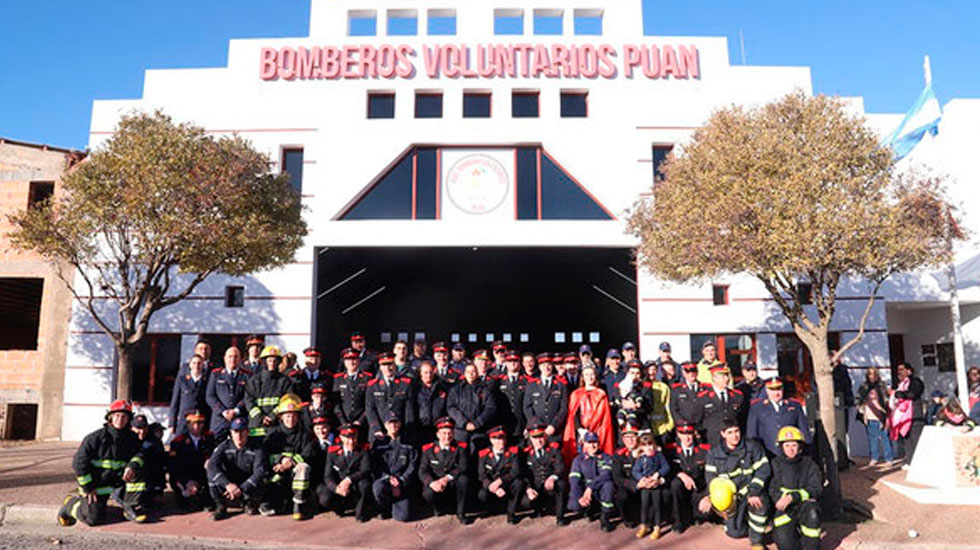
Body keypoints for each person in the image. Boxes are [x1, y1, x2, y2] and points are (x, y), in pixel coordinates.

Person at [58, 400, 147, 526]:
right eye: (116, 415)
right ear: (110, 417)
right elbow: (79, 463)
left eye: (124, 416)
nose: (120, 419)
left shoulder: (132, 438)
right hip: (96, 485)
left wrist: (132, 465)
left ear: (128, 419)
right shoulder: (95, 438)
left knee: (139, 468)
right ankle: (70, 504)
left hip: (117, 481)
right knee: (93, 519)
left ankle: (129, 507)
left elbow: (140, 455)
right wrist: (88, 487)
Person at [703, 418, 771, 550]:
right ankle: (742, 521)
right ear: (723, 434)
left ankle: (757, 541)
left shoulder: (753, 447)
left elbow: (764, 469)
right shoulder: (714, 454)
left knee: (760, 506)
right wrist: (711, 497)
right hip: (733, 498)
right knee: (734, 532)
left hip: (751, 491)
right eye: (730, 433)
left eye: (737, 431)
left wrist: (754, 491)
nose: (735, 436)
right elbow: (711, 479)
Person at [262, 393, 318, 519]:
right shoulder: (274, 434)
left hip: (295, 472)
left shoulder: (305, 434)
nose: (290, 419)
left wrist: (291, 462)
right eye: (287, 416)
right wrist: (280, 460)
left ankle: (298, 505)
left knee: (303, 467)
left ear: (298, 417)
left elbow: (309, 453)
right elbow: (266, 454)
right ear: (281, 417)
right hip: (277, 471)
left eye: (294, 416)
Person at [769, 426, 823, 550]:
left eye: (794, 445)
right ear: (781, 447)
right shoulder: (775, 464)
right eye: (787, 445)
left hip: (805, 506)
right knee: (784, 543)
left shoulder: (809, 464)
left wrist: (794, 497)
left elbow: (816, 488)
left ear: (800, 446)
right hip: (785, 509)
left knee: (813, 514)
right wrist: (779, 499)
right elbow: (772, 488)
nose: (791, 449)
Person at [206, 416, 267, 520]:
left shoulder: (257, 447)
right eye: (236, 431)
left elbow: (260, 471)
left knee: (260, 480)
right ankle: (221, 507)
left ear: (247, 432)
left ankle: (249, 503)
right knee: (212, 476)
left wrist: (242, 488)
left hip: (247, 483)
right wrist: (227, 484)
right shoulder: (224, 446)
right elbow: (212, 465)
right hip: (230, 482)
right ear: (231, 433)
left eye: (242, 431)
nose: (239, 435)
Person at [419, 417, 471, 524]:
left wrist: (446, 479)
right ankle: (438, 508)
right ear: (438, 434)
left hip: (451, 482)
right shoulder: (428, 449)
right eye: (443, 433)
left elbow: (463, 466)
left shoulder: (460, 447)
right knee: (428, 493)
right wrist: (432, 483)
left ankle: (460, 512)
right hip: (436, 482)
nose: (447, 437)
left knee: (464, 480)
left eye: (450, 433)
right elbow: (422, 470)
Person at [317, 423, 372, 522]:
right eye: (348, 438)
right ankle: (340, 510)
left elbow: (366, 469)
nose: (351, 442)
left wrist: (348, 480)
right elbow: (328, 476)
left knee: (365, 485)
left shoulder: (363, 449)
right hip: (339, 486)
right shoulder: (333, 451)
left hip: (355, 484)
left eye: (354, 437)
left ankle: (360, 512)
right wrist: (336, 489)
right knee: (324, 497)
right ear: (341, 438)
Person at [563, 365, 616, 464]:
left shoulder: (601, 394)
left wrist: (591, 430)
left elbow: (603, 416)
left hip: (598, 432)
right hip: (580, 433)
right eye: (587, 374)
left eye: (592, 374)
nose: (589, 377)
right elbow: (573, 415)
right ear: (582, 377)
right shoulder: (576, 394)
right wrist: (581, 430)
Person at [664, 423, 710, 534]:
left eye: (689, 433)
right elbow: (667, 469)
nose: (687, 437)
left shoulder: (704, 450)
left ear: (694, 434)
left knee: (705, 513)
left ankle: (694, 515)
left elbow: (710, 474)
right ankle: (679, 522)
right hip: (679, 491)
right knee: (675, 483)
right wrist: (681, 474)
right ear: (678, 434)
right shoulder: (671, 450)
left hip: (698, 489)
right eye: (683, 434)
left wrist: (708, 496)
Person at [168, 409, 217, 511]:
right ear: (187, 424)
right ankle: (184, 496)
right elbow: (173, 467)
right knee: (184, 504)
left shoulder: (209, 439)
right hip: (185, 475)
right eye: (193, 423)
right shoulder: (178, 442)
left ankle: (205, 498)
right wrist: (186, 482)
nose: (196, 427)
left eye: (200, 423)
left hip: (202, 475)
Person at [372, 412, 418, 521]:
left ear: (400, 424)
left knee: (403, 517)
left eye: (396, 422)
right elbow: (375, 465)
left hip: (402, 483)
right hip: (385, 481)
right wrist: (388, 478)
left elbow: (413, 465)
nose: (393, 426)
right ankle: (385, 508)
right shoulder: (378, 443)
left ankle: (396, 507)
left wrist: (401, 481)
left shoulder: (408, 442)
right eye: (390, 423)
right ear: (385, 425)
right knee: (378, 487)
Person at [746, 377, 809, 457]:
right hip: (767, 454)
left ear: (782, 389)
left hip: (790, 455)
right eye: (772, 390)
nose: (776, 393)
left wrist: (807, 454)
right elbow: (752, 434)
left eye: (778, 389)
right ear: (767, 391)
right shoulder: (757, 408)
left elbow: (804, 432)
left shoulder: (794, 406)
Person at [567, 431, 616, 532]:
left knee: (608, 485)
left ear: (599, 443)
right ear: (584, 444)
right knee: (575, 505)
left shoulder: (606, 457)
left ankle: (605, 518)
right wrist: (579, 497)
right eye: (589, 442)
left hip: (599, 490)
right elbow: (574, 480)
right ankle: (589, 510)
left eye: (595, 442)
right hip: (585, 492)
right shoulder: (578, 459)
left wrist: (590, 488)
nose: (592, 445)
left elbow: (605, 474)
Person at [522, 422, 568, 525]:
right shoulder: (526, 453)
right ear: (530, 438)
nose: (539, 440)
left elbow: (560, 468)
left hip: (550, 487)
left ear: (545, 436)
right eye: (535, 437)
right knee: (525, 502)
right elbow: (524, 474)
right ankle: (538, 509)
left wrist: (552, 477)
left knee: (561, 484)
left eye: (541, 436)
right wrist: (528, 488)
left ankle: (560, 517)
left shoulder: (554, 449)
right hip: (536, 488)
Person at [244, 345, 294, 440]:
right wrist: (260, 417)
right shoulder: (254, 380)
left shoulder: (284, 381)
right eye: (270, 360)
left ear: (279, 362)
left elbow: (286, 401)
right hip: (256, 424)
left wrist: (272, 416)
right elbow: (248, 401)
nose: (272, 363)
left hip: (276, 423)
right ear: (264, 361)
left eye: (275, 360)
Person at [477, 426, 524, 524]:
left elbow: (515, 471)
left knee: (518, 483)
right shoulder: (484, 454)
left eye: (502, 438)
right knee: (482, 495)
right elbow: (482, 475)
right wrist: (492, 486)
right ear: (491, 440)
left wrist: (500, 481)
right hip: (491, 485)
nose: (500, 442)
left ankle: (511, 513)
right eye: (497, 439)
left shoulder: (513, 452)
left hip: (506, 482)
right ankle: (491, 509)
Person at [447, 362, 498, 451]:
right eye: (468, 372)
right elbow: (451, 407)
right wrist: (464, 423)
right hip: (460, 431)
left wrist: (477, 423)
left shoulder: (485, 390)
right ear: (464, 374)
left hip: (480, 431)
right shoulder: (456, 390)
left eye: (473, 371)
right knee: (462, 460)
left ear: (477, 373)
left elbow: (490, 408)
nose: (471, 374)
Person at [693, 364, 746, 448]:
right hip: (712, 441)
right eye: (723, 376)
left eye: (727, 375)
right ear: (714, 378)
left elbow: (742, 419)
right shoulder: (703, 397)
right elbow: (697, 421)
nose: (727, 379)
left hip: (732, 442)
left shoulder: (737, 396)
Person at [365, 353, 415, 441]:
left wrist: (408, 430)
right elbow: (370, 409)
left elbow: (408, 410)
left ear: (394, 365)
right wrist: (376, 429)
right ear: (380, 367)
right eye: (384, 365)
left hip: (400, 431)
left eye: (390, 364)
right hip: (378, 432)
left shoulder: (405, 384)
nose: (387, 368)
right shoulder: (372, 385)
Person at [632, 433, 670, 540]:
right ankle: (644, 524)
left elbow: (666, 467)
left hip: (656, 485)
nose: (649, 448)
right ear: (641, 447)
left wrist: (658, 475)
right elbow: (635, 471)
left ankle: (657, 527)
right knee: (644, 506)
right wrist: (642, 479)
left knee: (656, 505)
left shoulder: (658, 455)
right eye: (645, 445)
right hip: (645, 486)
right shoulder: (641, 458)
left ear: (654, 444)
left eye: (650, 444)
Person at [523, 354, 569, 443]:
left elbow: (564, 408)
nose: (546, 368)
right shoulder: (531, 384)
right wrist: (535, 424)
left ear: (552, 366)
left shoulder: (561, 384)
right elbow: (527, 407)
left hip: (554, 431)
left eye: (549, 365)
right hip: (536, 431)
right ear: (539, 367)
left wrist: (554, 425)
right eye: (543, 365)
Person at [206, 346, 249, 440]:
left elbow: (248, 396)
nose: (232, 359)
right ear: (225, 358)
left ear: (240, 359)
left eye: (235, 356)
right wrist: (223, 411)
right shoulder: (216, 374)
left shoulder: (246, 376)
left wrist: (236, 410)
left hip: (239, 419)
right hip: (220, 420)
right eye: (230, 356)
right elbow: (210, 396)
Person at [855, 367, 893, 466]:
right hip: (869, 415)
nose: (871, 377)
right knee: (872, 438)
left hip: (881, 415)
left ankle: (889, 458)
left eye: (873, 374)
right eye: (870, 374)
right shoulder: (864, 386)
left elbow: (887, 399)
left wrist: (885, 411)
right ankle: (874, 457)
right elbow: (858, 399)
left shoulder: (881, 385)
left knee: (885, 437)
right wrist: (861, 409)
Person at [889, 362, 925, 466]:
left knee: (916, 440)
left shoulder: (915, 382)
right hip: (903, 418)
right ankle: (910, 462)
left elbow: (912, 394)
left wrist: (897, 394)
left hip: (914, 416)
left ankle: (919, 463)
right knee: (907, 440)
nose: (899, 372)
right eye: (898, 370)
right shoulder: (899, 385)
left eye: (902, 369)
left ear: (909, 371)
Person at [333, 348, 371, 439]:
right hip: (343, 422)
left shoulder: (367, 378)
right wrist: (343, 422)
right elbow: (336, 403)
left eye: (354, 359)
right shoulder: (338, 378)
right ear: (344, 362)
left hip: (362, 422)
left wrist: (360, 420)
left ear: (359, 361)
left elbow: (369, 402)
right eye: (348, 360)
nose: (351, 362)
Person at [131, 414, 167, 507]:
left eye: (144, 427)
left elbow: (159, 466)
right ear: (132, 428)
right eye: (138, 428)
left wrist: (158, 489)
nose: (142, 431)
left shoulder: (153, 443)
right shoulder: (126, 440)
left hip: (148, 479)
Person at [170, 353, 209, 436]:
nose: (196, 366)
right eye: (194, 363)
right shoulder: (182, 380)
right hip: (184, 420)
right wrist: (172, 423)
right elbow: (175, 402)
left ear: (203, 365)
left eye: (199, 363)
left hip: (200, 419)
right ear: (190, 365)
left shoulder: (207, 381)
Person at [611, 424, 641, 528]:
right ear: (623, 439)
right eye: (627, 437)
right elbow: (617, 477)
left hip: (644, 485)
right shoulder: (618, 455)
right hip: (628, 487)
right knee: (622, 496)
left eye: (633, 436)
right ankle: (627, 518)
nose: (630, 440)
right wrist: (635, 485)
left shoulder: (645, 451)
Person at [415, 360, 449, 445]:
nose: (428, 375)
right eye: (425, 373)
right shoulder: (414, 387)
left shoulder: (442, 386)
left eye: (430, 372)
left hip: (438, 428)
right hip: (420, 428)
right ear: (420, 373)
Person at [495, 351, 527, 439]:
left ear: (520, 363)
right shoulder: (498, 381)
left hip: (522, 425)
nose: (512, 363)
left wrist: (529, 425)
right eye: (509, 361)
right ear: (505, 363)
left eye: (515, 361)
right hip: (502, 423)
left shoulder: (527, 381)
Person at [613, 362, 648, 431]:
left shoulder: (645, 387)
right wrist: (623, 403)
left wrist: (635, 406)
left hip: (639, 424)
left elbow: (648, 407)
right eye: (632, 373)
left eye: (637, 373)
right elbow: (615, 402)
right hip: (623, 427)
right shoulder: (620, 386)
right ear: (627, 373)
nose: (635, 375)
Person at [644, 366, 674, 441]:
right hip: (646, 428)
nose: (651, 372)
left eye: (654, 369)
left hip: (662, 428)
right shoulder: (640, 386)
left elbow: (668, 407)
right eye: (649, 369)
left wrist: (669, 426)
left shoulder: (663, 387)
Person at [670, 362, 703, 427]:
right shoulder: (677, 389)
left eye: (694, 371)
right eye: (688, 372)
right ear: (684, 373)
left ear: (697, 372)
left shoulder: (705, 388)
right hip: (684, 427)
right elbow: (673, 408)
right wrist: (681, 423)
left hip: (702, 426)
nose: (691, 374)